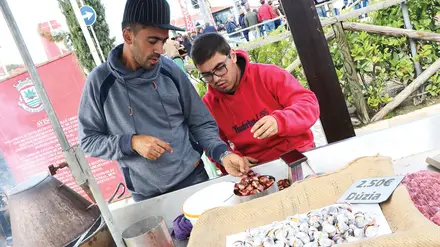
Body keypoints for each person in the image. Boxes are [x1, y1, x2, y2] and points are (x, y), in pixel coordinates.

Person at [78, 0, 248, 202]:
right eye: (152, 41)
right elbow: (88, 142)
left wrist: (223, 154)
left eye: (163, 40)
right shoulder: (100, 82)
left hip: (193, 179)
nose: (160, 49)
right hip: (146, 195)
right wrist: (130, 142)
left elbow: (200, 122)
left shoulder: (170, 70)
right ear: (128, 36)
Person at [191, 33, 320, 171]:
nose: (216, 79)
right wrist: (233, 158)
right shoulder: (209, 104)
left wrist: (280, 121)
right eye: (207, 75)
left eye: (220, 68)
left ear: (233, 56)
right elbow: (212, 142)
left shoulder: (268, 74)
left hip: (298, 153)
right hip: (254, 168)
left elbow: (309, 104)